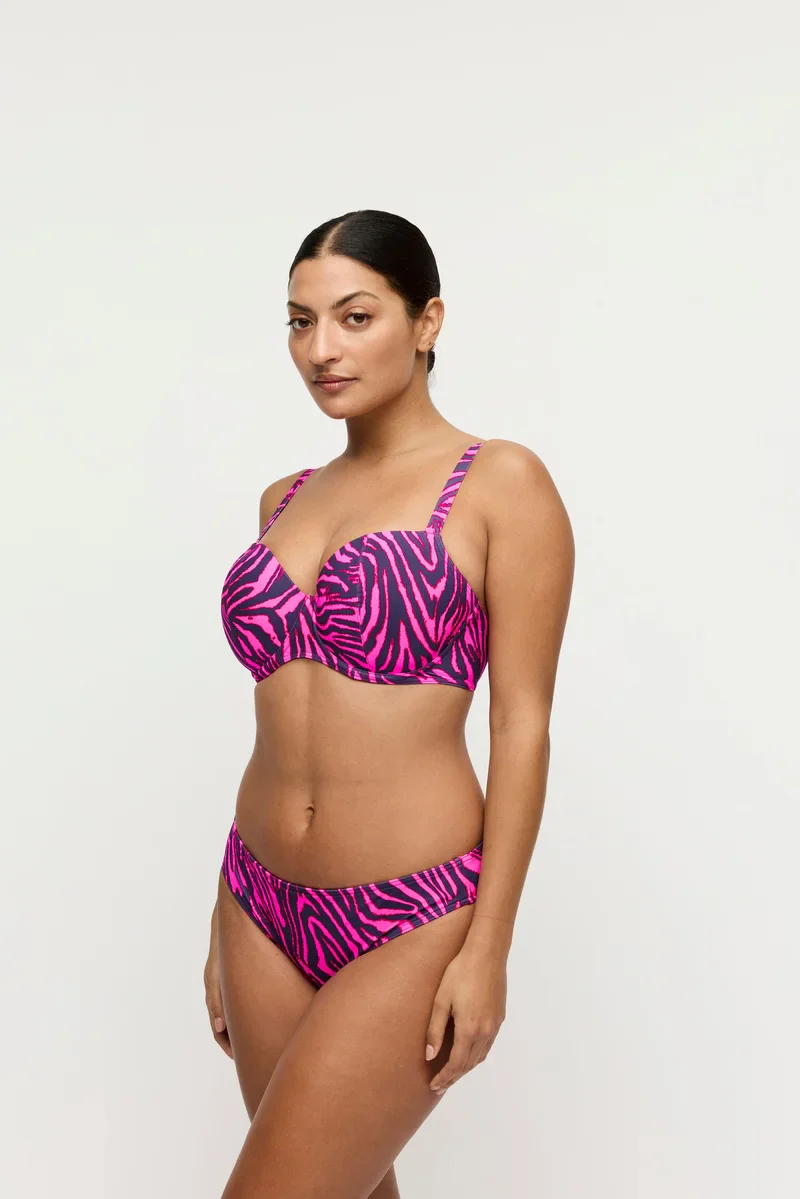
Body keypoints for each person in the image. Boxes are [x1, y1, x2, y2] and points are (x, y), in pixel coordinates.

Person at [205, 208, 575, 1199]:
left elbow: (522, 726)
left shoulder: (499, 482)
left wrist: (488, 946)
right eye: (300, 321)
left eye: (355, 316)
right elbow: (277, 723)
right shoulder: (283, 498)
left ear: (426, 322)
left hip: (413, 912)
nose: (320, 349)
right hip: (258, 902)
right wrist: (218, 917)